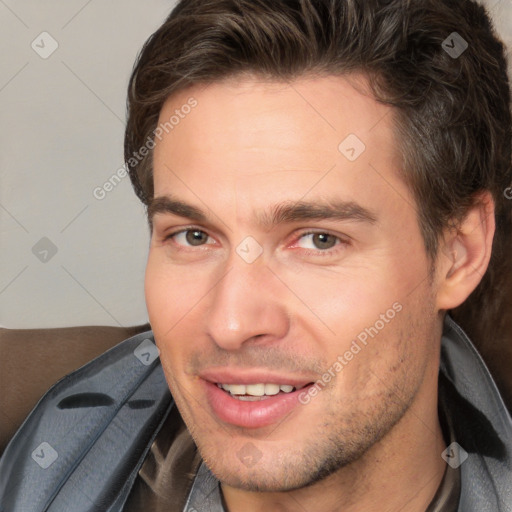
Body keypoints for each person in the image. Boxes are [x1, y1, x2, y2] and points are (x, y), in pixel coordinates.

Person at [1, 0, 511, 511]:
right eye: (194, 237)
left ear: (458, 254)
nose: (230, 323)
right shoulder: (35, 457)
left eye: (318, 240)